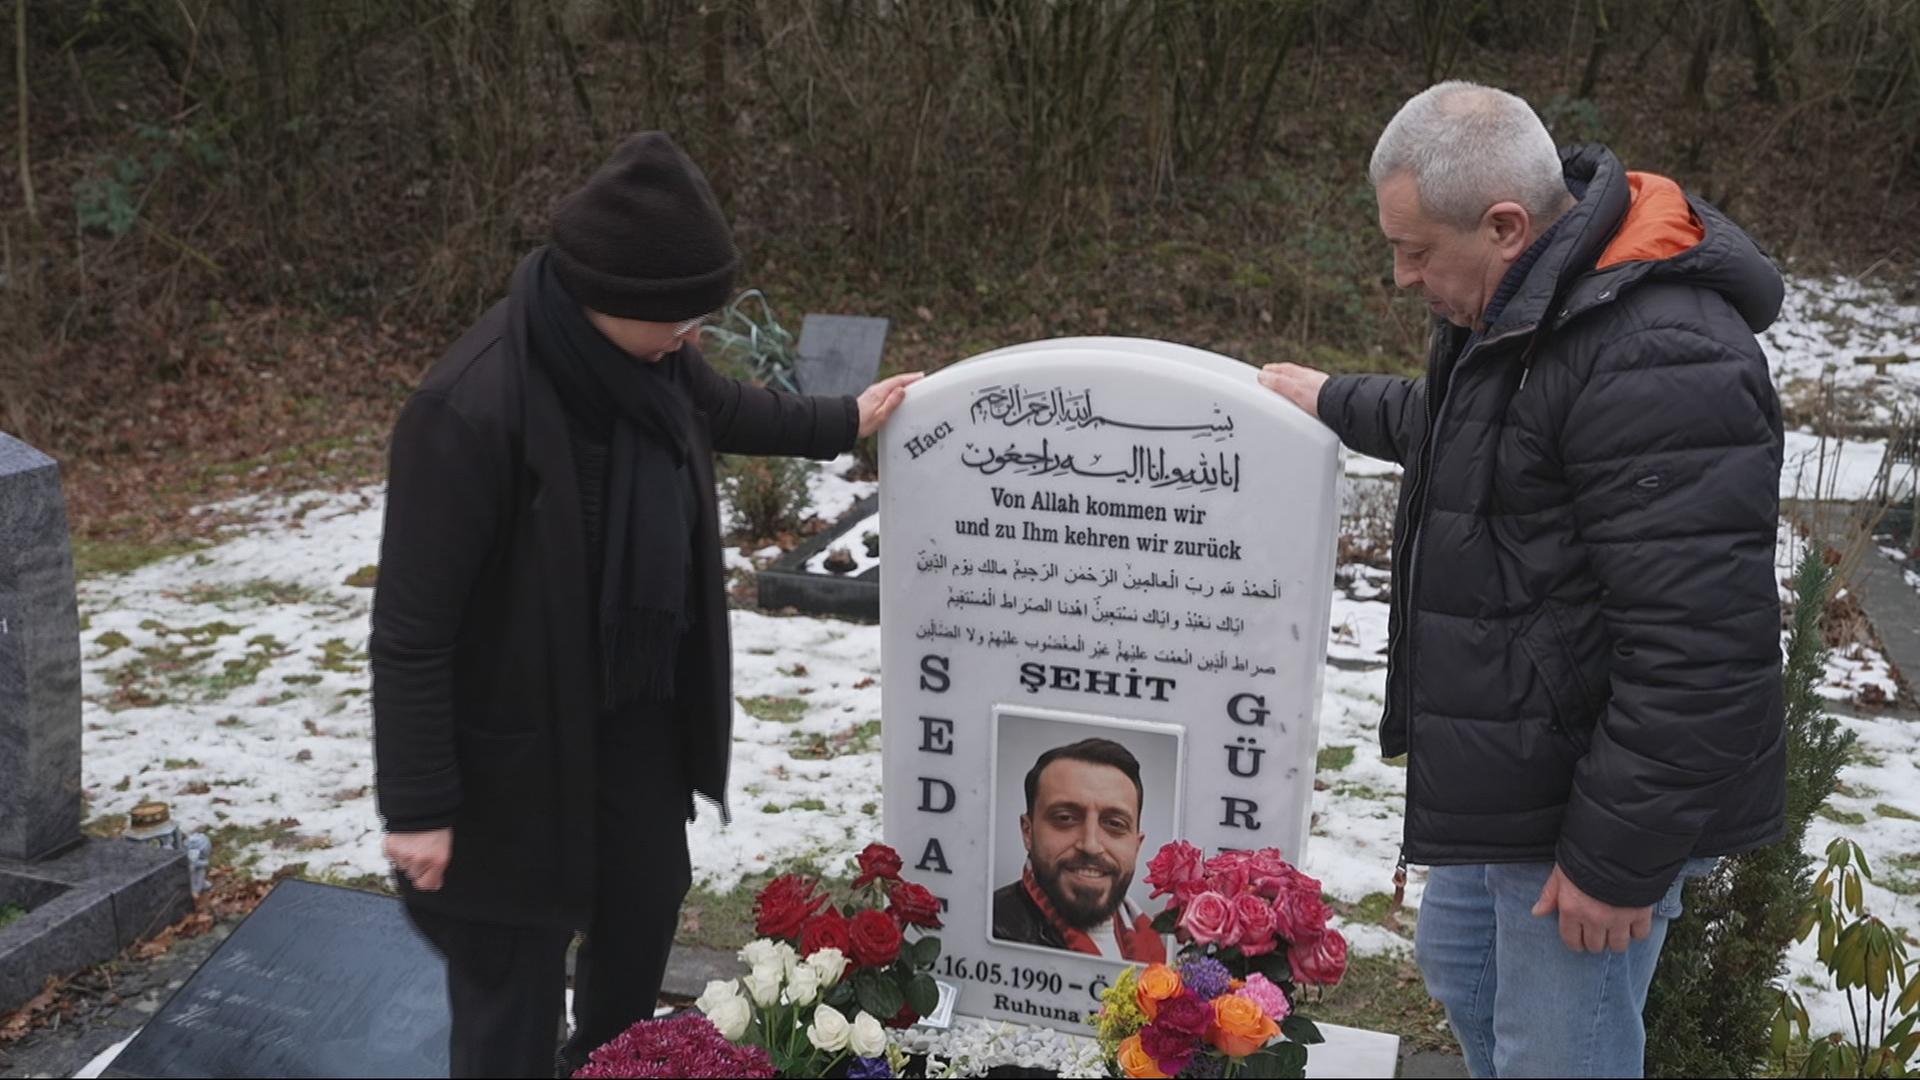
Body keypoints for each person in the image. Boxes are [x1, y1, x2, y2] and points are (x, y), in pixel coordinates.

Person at [1258, 82, 1786, 1078]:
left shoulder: (1657, 354)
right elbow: (1475, 437)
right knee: (1461, 967)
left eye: (1415, 251)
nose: (1403, 277)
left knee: (1559, 1053)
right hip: (1523, 772)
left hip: (1592, 802)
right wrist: (1329, 398)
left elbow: (1699, 649)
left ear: (1504, 225)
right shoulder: (1539, 305)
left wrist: (1615, 862)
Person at [369, 131, 921, 1078]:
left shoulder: (651, 366)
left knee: (637, 934)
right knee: (512, 995)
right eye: (682, 316)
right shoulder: (469, 409)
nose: (697, 334)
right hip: (511, 764)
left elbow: (729, 408)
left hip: (633, 731)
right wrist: (418, 806)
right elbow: (412, 633)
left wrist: (845, 419)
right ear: (611, 299)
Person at [991, 738, 1166, 963]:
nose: (1091, 845)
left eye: (1114, 824)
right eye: (1065, 818)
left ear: (1136, 845)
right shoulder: (990, 926)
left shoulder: (1159, 947)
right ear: (1028, 832)